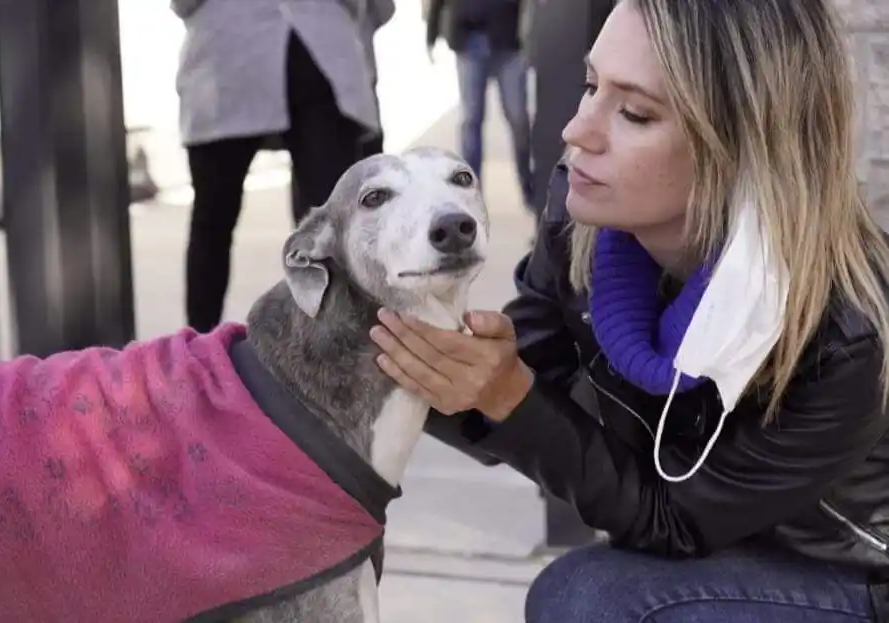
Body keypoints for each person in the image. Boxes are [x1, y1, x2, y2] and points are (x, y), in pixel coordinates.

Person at [370, 0, 889, 621]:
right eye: (592, 86)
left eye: (635, 113)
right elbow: (512, 397)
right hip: (708, 549)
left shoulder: (844, 328)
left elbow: (676, 523)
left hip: (845, 576)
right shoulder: (581, 221)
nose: (577, 131)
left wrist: (507, 396)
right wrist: (398, 353)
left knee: (590, 598)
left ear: (744, 144)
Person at [172, 0, 393, 333]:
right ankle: (335, 347)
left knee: (326, 224)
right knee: (322, 223)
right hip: (262, 58)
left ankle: (333, 347)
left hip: (247, 60)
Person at [425, 0, 537, 216]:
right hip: (468, 42)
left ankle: (530, 189)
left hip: (508, 43)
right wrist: (431, 35)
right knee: (471, 121)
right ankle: (469, 194)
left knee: (519, 120)